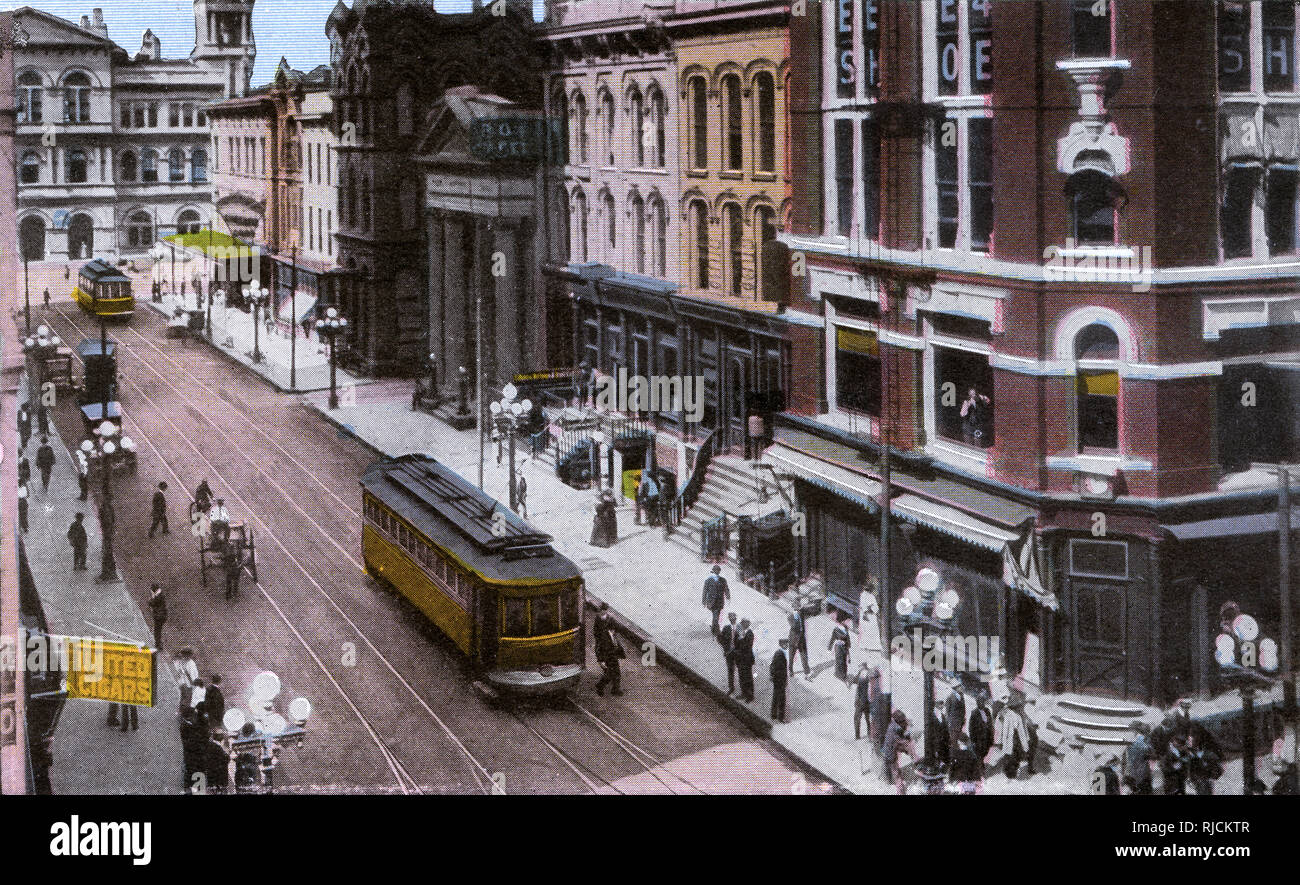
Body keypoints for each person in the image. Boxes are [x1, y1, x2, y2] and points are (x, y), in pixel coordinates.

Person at [993, 696, 1031, 779]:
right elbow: (998, 727)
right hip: (1011, 739)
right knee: (1010, 756)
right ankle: (1011, 773)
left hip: (1014, 739)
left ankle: (1012, 773)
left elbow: (1021, 730)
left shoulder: (1016, 715)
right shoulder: (1003, 714)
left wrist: (1025, 744)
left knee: (1012, 756)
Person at [593, 604, 624, 696]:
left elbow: (619, 627)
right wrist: (600, 659)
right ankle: (601, 686)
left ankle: (614, 689)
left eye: (604, 610)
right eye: (602, 610)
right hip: (606, 653)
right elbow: (598, 645)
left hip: (612, 651)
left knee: (615, 672)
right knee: (611, 673)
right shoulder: (600, 630)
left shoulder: (608, 620)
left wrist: (614, 631)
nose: (604, 612)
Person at [882, 709, 915, 795]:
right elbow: (902, 742)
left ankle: (889, 780)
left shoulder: (893, 725)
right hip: (890, 754)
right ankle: (900, 792)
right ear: (899, 721)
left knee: (889, 769)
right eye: (902, 720)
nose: (904, 722)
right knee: (897, 774)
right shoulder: (894, 731)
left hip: (888, 751)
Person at [1187, 729, 1223, 796]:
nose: (1188, 742)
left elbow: (1219, 770)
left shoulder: (1210, 755)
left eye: (1190, 740)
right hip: (1195, 785)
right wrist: (1193, 779)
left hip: (1207, 785)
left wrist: (1211, 778)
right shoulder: (1190, 756)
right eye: (1189, 740)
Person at [1123, 722, 1155, 794]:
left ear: (1135, 731)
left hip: (1134, 773)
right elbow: (1151, 753)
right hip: (1143, 773)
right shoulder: (1145, 742)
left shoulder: (1133, 741)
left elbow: (1125, 759)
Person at [968, 689, 994, 767]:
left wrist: (991, 734)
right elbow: (971, 727)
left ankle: (980, 762)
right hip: (979, 737)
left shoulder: (987, 711)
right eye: (980, 702)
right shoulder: (974, 713)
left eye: (983, 702)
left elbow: (990, 723)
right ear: (977, 703)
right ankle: (980, 767)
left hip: (987, 735)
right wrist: (973, 739)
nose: (982, 704)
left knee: (986, 750)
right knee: (979, 752)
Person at [701, 564, 729, 636]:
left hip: (719, 602)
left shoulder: (723, 580)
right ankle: (715, 630)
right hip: (711, 602)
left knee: (716, 615)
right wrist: (704, 601)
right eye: (715, 570)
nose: (717, 571)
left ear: (719, 571)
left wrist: (728, 595)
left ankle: (714, 629)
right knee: (715, 616)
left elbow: (726, 589)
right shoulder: (708, 580)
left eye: (718, 570)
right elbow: (705, 591)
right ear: (713, 571)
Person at [852, 663, 876, 740]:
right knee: (868, 719)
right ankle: (870, 735)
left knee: (857, 718)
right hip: (868, 702)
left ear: (862, 667)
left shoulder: (861, 674)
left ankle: (857, 736)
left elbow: (854, 681)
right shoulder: (870, 675)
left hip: (860, 701)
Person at [945, 684, 968, 764]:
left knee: (957, 739)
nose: (962, 688)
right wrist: (948, 723)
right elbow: (947, 712)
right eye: (960, 686)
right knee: (953, 741)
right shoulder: (950, 698)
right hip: (953, 723)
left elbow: (963, 708)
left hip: (960, 722)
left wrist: (963, 718)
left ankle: (956, 756)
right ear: (956, 688)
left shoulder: (961, 696)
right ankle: (952, 759)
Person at [734, 618, 755, 702]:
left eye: (745, 623)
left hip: (747, 659)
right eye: (742, 623)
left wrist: (741, 639)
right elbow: (735, 643)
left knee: (748, 677)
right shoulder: (739, 633)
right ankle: (743, 693)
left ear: (748, 624)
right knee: (741, 676)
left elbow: (747, 646)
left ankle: (750, 695)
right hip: (740, 658)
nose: (743, 625)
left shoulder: (750, 634)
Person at [719, 612, 739, 695]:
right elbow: (721, 639)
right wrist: (725, 648)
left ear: (736, 618)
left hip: (738, 653)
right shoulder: (726, 628)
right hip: (729, 653)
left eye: (733, 618)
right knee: (730, 670)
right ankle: (731, 687)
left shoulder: (740, 629)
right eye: (731, 618)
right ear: (729, 619)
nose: (732, 619)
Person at [769, 639, 789, 722]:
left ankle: (773, 715)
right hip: (780, 679)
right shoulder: (780, 654)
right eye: (785, 644)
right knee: (781, 698)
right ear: (781, 644)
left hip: (777, 679)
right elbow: (776, 667)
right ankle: (781, 717)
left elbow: (772, 666)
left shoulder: (778, 653)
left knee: (776, 697)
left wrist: (772, 676)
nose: (787, 646)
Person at [787, 610, 810, 677]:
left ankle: (807, 672)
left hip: (801, 640)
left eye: (798, 609)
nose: (798, 611)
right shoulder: (790, 617)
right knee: (791, 656)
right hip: (793, 640)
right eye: (795, 610)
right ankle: (790, 670)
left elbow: (803, 627)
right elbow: (794, 627)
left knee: (804, 656)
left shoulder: (801, 614)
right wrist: (796, 618)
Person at [828, 617, 851, 682]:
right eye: (842, 621)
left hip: (844, 647)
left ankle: (844, 675)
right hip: (838, 647)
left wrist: (848, 645)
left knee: (844, 660)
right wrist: (829, 648)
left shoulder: (846, 629)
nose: (844, 623)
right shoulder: (836, 629)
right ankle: (838, 674)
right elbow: (832, 639)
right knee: (839, 660)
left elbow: (848, 638)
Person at [149, 584, 167, 649]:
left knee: (157, 631)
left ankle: (158, 645)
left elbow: (151, 603)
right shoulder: (160, 594)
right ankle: (158, 644)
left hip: (159, 616)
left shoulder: (158, 596)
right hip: (162, 616)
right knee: (158, 630)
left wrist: (152, 597)